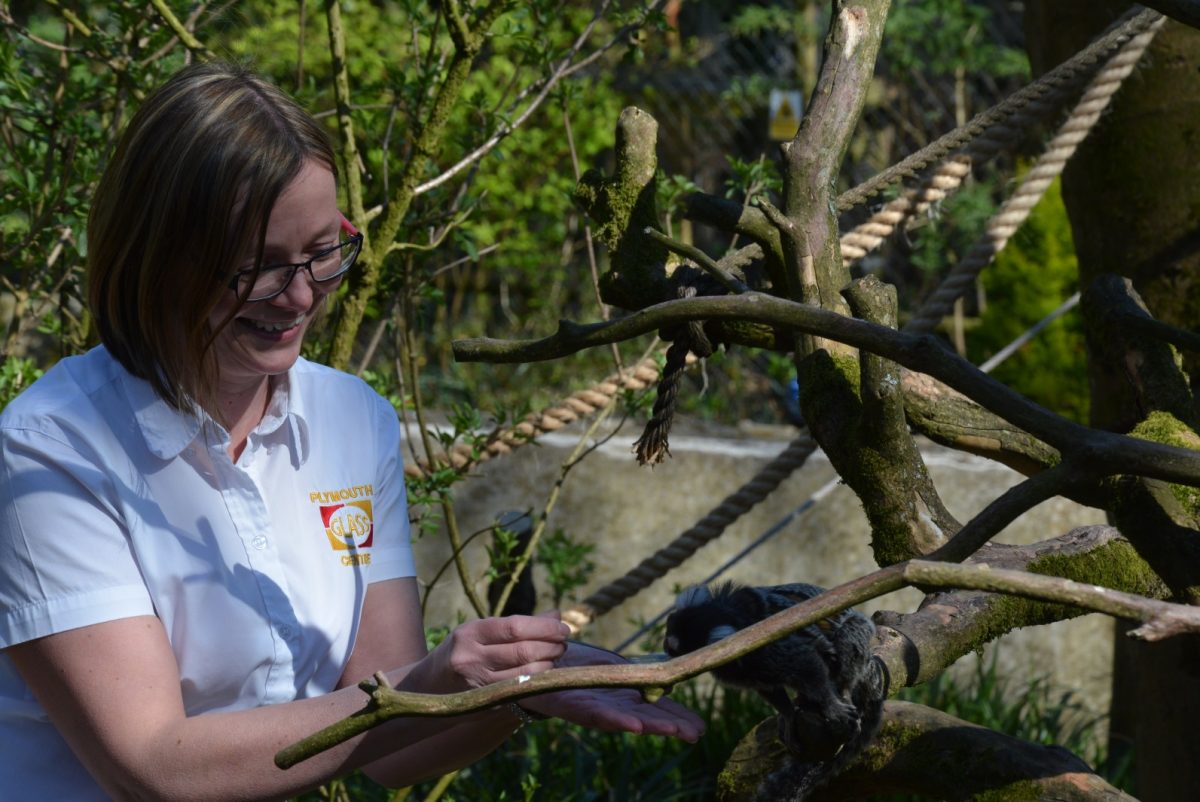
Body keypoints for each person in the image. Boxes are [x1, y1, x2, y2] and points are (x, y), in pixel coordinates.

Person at [0, 61, 703, 800]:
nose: (302, 294)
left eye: (321, 251)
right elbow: (156, 764)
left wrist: (510, 689)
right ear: (159, 257)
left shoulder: (348, 420)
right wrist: (429, 685)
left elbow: (390, 744)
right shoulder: (53, 451)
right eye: (260, 267)